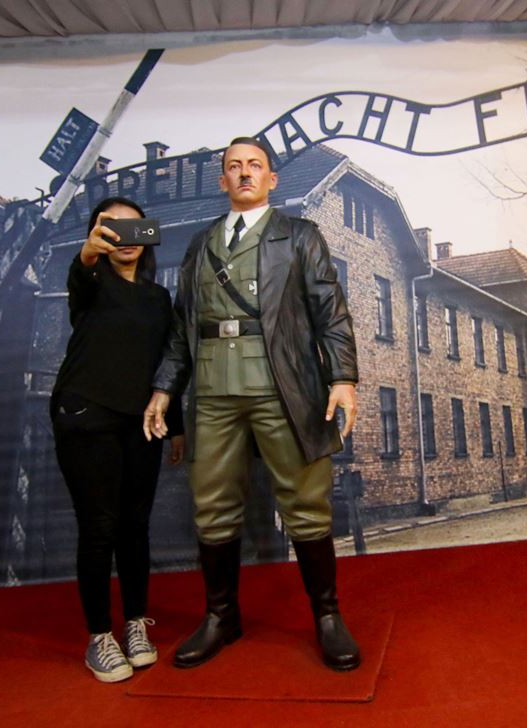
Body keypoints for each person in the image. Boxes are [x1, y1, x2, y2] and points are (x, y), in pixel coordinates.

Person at [143, 137, 361, 671]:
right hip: (214, 390)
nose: (244, 174)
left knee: (306, 503)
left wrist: (343, 377)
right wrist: (166, 387)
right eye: (234, 167)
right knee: (212, 506)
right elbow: (181, 326)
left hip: (281, 383)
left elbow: (329, 310)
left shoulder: (300, 236)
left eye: (254, 166)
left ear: (271, 179)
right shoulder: (199, 245)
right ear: (222, 181)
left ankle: (328, 617)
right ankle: (222, 616)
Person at [51, 196, 184, 683]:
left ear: (147, 235)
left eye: (134, 229)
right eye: (112, 230)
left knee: (135, 526)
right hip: (86, 414)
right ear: (98, 236)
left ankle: (134, 624)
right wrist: (88, 253)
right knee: (99, 526)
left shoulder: (157, 297)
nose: (124, 239)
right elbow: (81, 270)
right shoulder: (89, 281)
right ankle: (98, 636)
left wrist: (178, 425)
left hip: (141, 421)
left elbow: (166, 364)